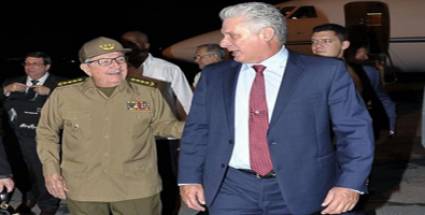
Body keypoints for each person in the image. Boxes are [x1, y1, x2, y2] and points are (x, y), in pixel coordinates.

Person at [178, 2, 374, 215]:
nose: (224, 43)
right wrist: (189, 177)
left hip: (301, 187)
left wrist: (350, 184)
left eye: (232, 35)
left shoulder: (324, 72)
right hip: (230, 188)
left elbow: (355, 131)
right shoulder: (214, 76)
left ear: (266, 34)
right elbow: (197, 129)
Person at [36, 36, 183, 215]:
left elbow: (164, 125)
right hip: (85, 187)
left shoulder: (147, 92)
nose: (116, 66)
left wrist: (196, 128)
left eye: (120, 59)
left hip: (136, 187)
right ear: (86, 68)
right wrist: (51, 171)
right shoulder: (65, 94)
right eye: (105, 61)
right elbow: (46, 132)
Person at [121, 31, 192, 215]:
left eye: (134, 42)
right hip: (130, 137)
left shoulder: (167, 69)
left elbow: (186, 102)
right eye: (125, 42)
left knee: (165, 181)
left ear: (146, 46)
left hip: (164, 138)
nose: (129, 45)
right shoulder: (118, 69)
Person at [2, 51, 62, 215]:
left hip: (44, 138)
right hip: (18, 137)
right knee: (23, 171)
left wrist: (51, 92)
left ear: (47, 66)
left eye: (35, 63)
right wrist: (6, 90)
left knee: (45, 172)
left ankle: (49, 206)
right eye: (27, 63)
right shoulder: (12, 82)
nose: (30, 67)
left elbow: (78, 104)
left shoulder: (60, 84)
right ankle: (29, 197)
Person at [311, 23, 396, 138]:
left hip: (355, 137)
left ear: (344, 45)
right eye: (314, 42)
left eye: (326, 41)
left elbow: (381, 98)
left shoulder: (366, 72)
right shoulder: (306, 73)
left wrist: (390, 125)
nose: (317, 46)